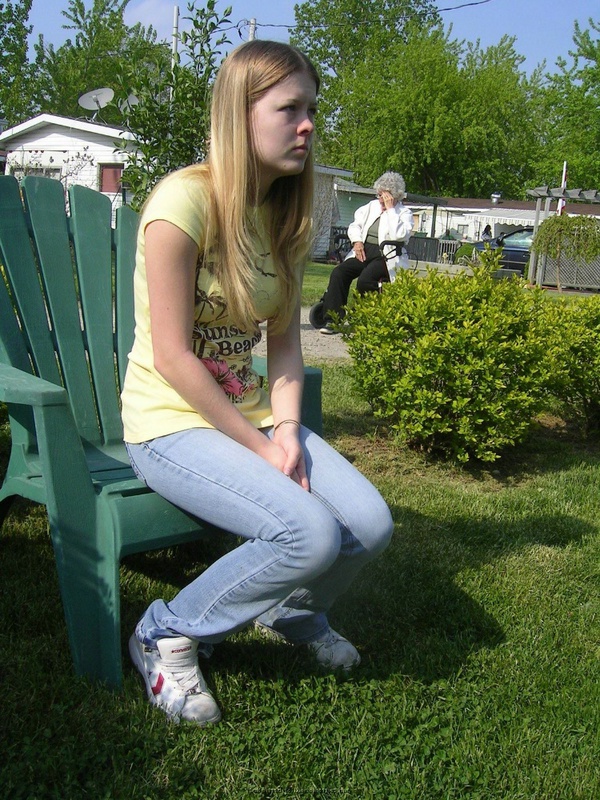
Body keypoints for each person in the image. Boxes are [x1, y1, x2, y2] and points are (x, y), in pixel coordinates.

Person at [120, 40, 394, 727]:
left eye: (312, 110)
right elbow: (174, 357)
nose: (308, 125)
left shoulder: (282, 216)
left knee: (369, 525)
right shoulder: (182, 204)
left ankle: (293, 613)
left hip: (252, 415)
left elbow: (285, 345)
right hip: (169, 423)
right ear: (239, 115)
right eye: (290, 109)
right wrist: (262, 445)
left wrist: (289, 429)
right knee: (309, 535)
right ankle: (166, 631)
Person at [318, 172, 413, 334]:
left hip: (386, 255)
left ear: (394, 196)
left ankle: (362, 318)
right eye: (379, 195)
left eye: (384, 196)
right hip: (363, 250)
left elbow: (399, 235)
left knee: (365, 280)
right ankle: (332, 319)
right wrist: (357, 241)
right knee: (339, 273)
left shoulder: (403, 213)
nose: (380, 199)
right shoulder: (371, 206)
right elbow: (355, 225)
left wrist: (390, 210)